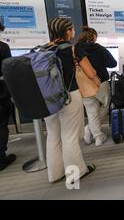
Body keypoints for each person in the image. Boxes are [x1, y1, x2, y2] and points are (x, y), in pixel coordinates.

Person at [44, 18, 96, 183]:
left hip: (48, 98)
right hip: (69, 97)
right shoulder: (72, 50)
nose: (73, 32)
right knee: (70, 136)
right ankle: (76, 173)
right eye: (72, 29)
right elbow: (91, 73)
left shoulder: (41, 50)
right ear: (67, 31)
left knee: (53, 135)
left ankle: (55, 174)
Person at [77, 26, 117, 147]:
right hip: (100, 82)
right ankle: (91, 131)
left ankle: (96, 135)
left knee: (91, 111)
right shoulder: (98, 48)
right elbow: (113, 63)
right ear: (93, 36)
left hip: (83, 84)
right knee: (105, 105)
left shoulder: (76, 49)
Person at [0, 22, 16, 171]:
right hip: (1, 94)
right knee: (1, 126)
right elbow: (7, 70)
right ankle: (1, 159)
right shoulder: (2, 47)